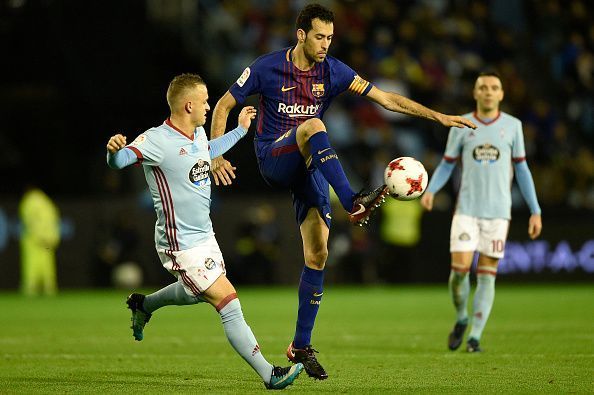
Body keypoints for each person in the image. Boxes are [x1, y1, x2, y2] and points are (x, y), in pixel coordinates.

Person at [209, 3, 477, 379]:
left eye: (330, 37)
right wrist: (217, 152)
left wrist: (439, 117)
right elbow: (223, 104)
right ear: (300, 34)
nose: (325, 44)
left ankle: (301, 346)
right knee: (313, 124)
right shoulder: (267, 66)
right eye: (319, 37)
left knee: (318, 253)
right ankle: (352, 199)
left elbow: (386, 99)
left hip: (311, 165)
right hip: (275, 157)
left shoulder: (333, 71)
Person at [105, 73, 303, 390]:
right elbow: (121, 160)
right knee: (227, 300)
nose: (209, 106)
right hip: (179, 244)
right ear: (188, 105)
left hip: (205, 237)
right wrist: (114, 151)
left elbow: (207, 150)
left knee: (194, 293)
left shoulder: (196, 134)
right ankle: (270, 374)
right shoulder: (157, 139)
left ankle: (143, 305)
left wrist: (239, 131)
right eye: (205, 100)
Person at [420, 71, 543, 353]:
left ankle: (475, 337)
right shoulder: (461, 124)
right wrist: (431, 190)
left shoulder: (513, 126)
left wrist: (535, 210)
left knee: (487, 275)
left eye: (494, 88)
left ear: (501, 94)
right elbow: (448, 163)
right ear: (475, 93)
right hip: (466, 211)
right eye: (483, 87)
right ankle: (462, 317)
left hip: (499, 213)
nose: (488, 91)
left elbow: (522, 169)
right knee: (460, 272)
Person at [19, 186, 61, 296]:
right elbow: (54, 220)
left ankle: (31, 287)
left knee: (32, 262)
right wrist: (53, 237)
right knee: (47, 263)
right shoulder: (47, 202)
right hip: (48, 238)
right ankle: (49, 286)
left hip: (33, 238)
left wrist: (37, 234)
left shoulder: (29, 202)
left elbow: (28, 220)